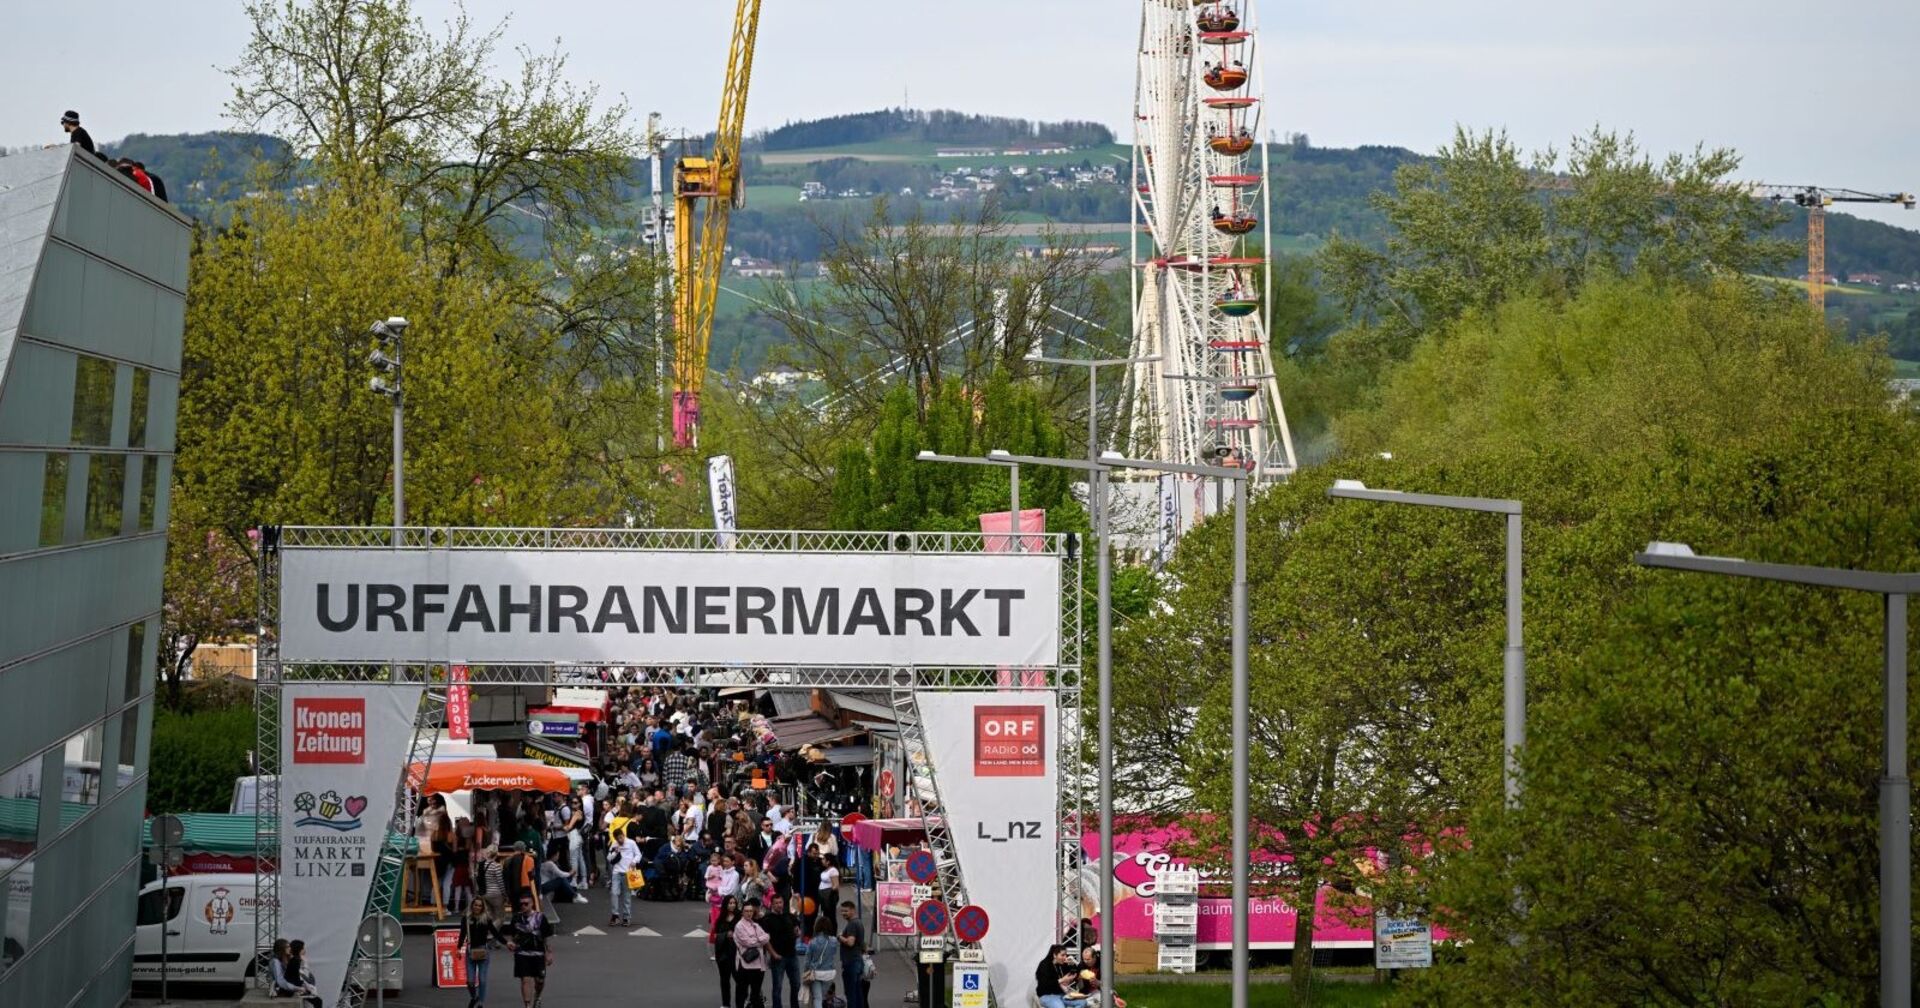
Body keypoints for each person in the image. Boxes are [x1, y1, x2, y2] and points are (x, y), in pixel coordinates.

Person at [504, 894, 555, 1008]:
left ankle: (537, 996)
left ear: (532, 904)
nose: (523, 906)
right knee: (525, 979)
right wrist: (510, 943)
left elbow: (547, 936)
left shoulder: (541, 917)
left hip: (538, 953)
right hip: (522, 953)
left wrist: (549, 953)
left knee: (539, 980)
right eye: (521, 904)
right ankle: (527, 1005)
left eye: (526, 903)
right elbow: (512, 935)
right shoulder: (516, 918)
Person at [456, 899, 502, 1008]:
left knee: (482, 979)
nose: (477, 907)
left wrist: (506, 942)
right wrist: (458, 948)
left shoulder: (486, 919)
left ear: (482, 908)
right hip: (470, 951)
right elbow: (463, 934)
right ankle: (474, 997)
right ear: (472, 906)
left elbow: (495, 932)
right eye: (475, 905)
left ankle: (481, 1002)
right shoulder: (466, 919)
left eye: (480, 906)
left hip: (483, 951)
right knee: (470, 981)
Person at [762, 894, 802, 1008]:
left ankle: (795, 1005)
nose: (779, 905)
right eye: (776, 903)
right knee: (777, 986)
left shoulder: (789, 916)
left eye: (780, 902)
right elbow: (765, 940)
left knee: (796, 984)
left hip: (792, 955)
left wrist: (797, 932)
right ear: (772, 904)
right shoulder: (768, 919)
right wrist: (773, 954)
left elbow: (797, 929)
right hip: (778, 957)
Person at [734, 900, 772, 1008]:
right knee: (742, 992)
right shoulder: (739, 926)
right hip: (746, 964)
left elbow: (767, 936)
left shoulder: (755, 925)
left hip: (759, 964)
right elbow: (748, 942)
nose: (749, 913)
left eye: (751, 911)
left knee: (755, 993)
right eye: (746, 911)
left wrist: (757, 940)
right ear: (742, 912)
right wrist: (760, 941)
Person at [712, 896, 743, 1007]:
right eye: (730, 903)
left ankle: (740, 1003)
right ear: (726, 904)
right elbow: (715, 935)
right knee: (724, 980)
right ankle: (726, 1004)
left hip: (736, 954)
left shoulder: (740, 917)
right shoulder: (721, 918)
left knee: (739, 980)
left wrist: (733, 935)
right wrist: (726, 935)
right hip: (723, 953)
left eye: (734, 903)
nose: (732, 905)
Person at [609, 825, 641, 927]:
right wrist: (615, 852)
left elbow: (638, 854)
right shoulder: (614, 844)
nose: (620, 840)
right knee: (614, 893)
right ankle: (615, 915)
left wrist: (634, 861)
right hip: (617, 872)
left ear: (623, 835)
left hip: (628, 872)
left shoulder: (631, 843)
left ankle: (626, 917)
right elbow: (609, 858)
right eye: (618, 839)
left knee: (627, 896)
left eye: (621, 838)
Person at [803, 917, 839, 1008]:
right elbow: (833, 954)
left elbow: (807, 961)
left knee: (817, 998)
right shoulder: (834, 941)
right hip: (829, 973)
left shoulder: (812, 942)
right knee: (823, 996)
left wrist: (806, 972)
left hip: (816, 973)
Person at [837, 901, 867, 1008]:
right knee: (858, 992)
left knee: (851, 993)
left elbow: (850, 942)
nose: (843, 913)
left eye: (846, 911)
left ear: (853, 910)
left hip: (851, 962)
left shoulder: (852, 924)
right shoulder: (859, 922)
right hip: (857, 960)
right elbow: (863, 945)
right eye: (842, 911)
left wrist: (840, 937)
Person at [285, 939, 323, 1008]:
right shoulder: (296, 961)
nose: (304, 949)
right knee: (318, 1001)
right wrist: (305, 988)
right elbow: (298, 977)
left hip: (296, 986)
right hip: (294, 988)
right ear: (299, 950)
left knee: (317, 1000)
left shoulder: (295, 960)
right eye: (303, 948)